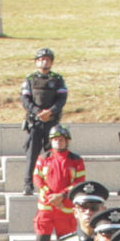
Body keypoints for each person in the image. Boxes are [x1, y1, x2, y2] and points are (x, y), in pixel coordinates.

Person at [33, 125, 87, 241]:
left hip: (65, 209)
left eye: (61, 140)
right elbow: (37, 178)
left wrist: (62, 195)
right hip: (46, 209)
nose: (58, 142)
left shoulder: (76, 160)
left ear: (67, 141)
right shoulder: (44, 158)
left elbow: (79, 181)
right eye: (55, 140)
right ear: (51, 141)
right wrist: (49, 194)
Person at [21, 48, 69, 190]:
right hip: (35, 122)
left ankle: (53, 183)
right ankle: (28, 184)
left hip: (52, 122)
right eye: (41, 59)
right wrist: (38, 112)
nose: (44, 62)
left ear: (52, 62)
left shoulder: (58, 79)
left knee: (53, 154)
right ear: (36, 62)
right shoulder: (30, 79)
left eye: (47, 59)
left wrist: (51, 111)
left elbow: (62, 99)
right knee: (32, 154)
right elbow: (25, 99)